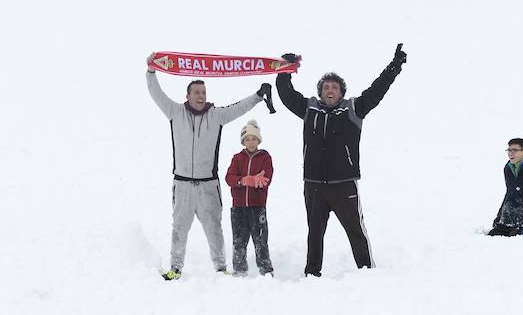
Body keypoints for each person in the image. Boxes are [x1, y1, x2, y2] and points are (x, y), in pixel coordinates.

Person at [276, 44, 407, 277]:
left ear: (341, 92)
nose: (330, 89)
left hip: (344, 184)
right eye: (326, 86)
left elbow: (377, 90)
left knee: (356, 231)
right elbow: (287, 96)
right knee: (314, 233)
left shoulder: (354, 109)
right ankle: (312, 274)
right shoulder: (309, 109)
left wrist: (394, 66)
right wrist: (284, 70)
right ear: (320, 91)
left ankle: (367, 272)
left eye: (334, 87)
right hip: (314, 184)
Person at [146, 54, 271, 280]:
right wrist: (151, 71)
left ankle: (221, 267)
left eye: (203, 92)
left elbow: (240, 107)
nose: (201, 96)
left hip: (208, 186)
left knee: (214, 229)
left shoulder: (216, 116)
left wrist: (258, 96)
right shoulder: (176, 113)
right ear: (188, 95)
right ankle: (175, 268)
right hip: (182, 185)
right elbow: (157, 95)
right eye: (197, 92)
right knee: (179, 229)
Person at [225, 119, 274, 277]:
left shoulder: (265, 158)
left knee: (260, 240)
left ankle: (265, 270)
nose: (251, 142)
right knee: (239, 241)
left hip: (257, 206)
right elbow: (229, 178)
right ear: (243, 141)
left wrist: (258, 182)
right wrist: (243, 180)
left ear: (258, 140)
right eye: (247, 139)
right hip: (238, 208)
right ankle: (239, 270)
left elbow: (266, 178)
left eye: (254, 138)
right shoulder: (237, 158)